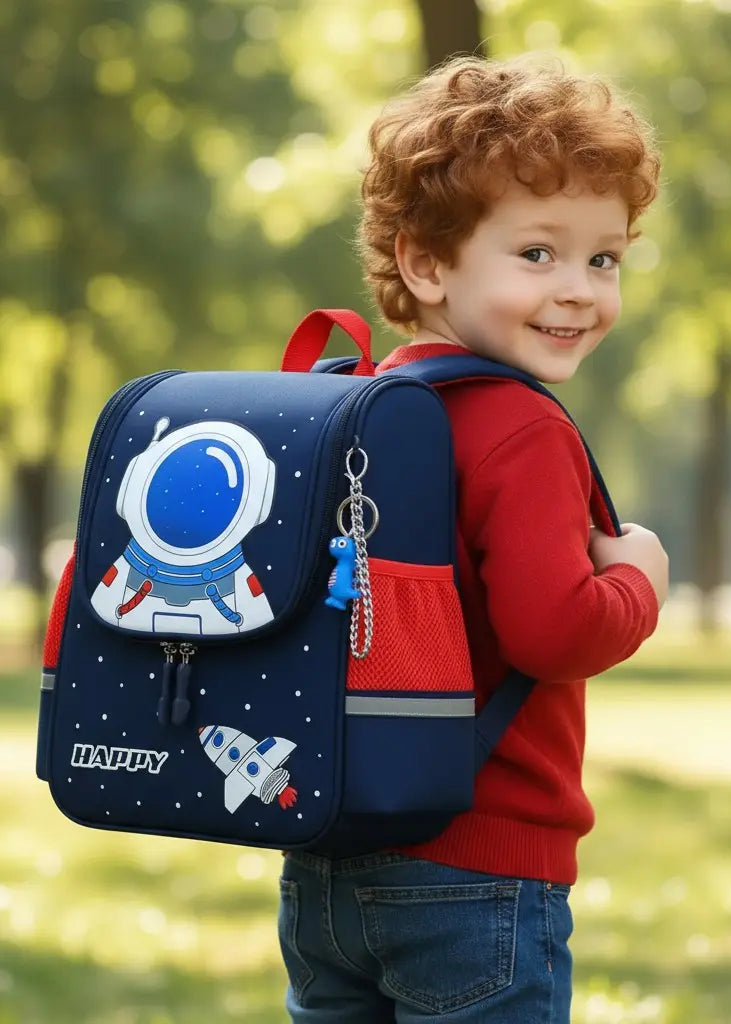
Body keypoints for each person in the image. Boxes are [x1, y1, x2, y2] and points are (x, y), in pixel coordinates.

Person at [277, 55, 669, 1023]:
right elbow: (552, 628)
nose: (577, 289)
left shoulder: (352, 407)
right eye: (536, 254)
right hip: (482, 875)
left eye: (602, 258)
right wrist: (641, 583)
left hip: (328, 862)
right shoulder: (522, 428)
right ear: (425, 261)